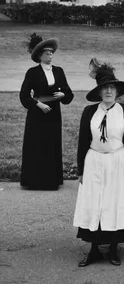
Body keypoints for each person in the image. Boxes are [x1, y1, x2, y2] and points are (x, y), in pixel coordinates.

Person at [73, 62, 124, 267]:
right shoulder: (89, 112)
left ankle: (113, 248)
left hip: (119, 161)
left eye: (112, 87)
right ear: (99, 91)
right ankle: (94, 249)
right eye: (105, 88)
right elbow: (83, 142)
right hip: (94, 161)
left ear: (117, 90)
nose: (109, 91)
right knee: (95, 203)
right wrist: (80, 169)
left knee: (114, 203)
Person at [19, 34, 74, 190]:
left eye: (51, 53)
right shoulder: (32, 72)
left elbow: (68, 93)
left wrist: (63, 95)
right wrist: (38, 104)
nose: (50, 56)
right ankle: (33, 181)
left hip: (54, 113)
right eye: (47, 53)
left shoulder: (59, 71)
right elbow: (24, 95)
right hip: (37, 113)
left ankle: (51, 181)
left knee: (52, 144)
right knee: (36, 145)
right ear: (39, 56)